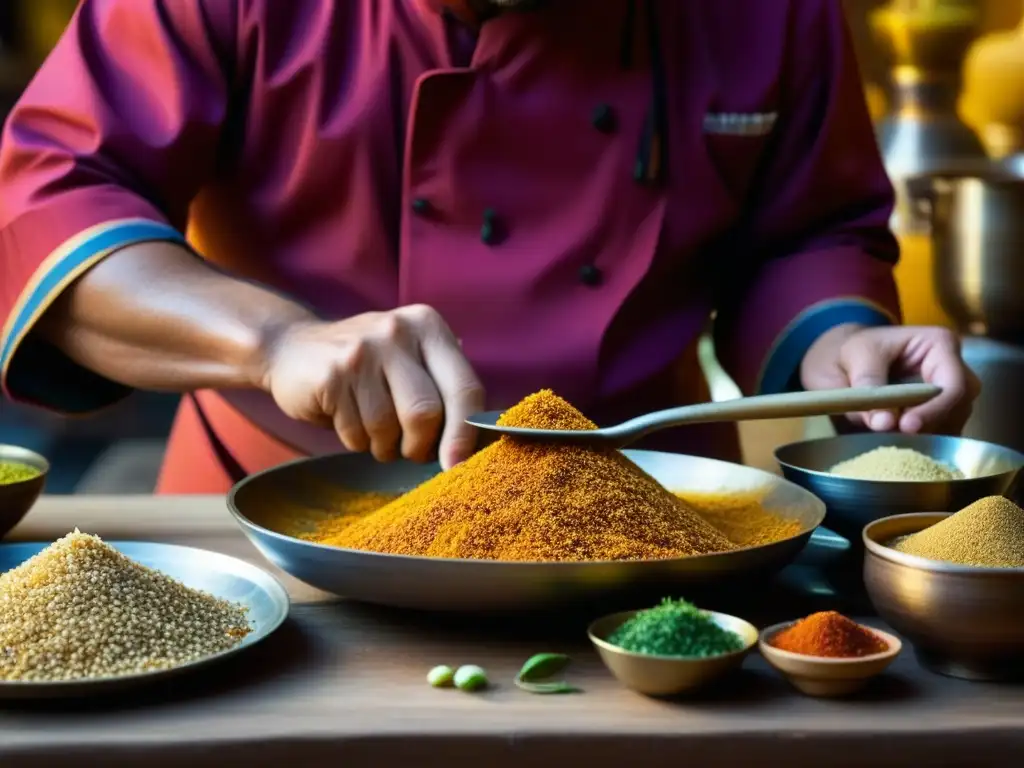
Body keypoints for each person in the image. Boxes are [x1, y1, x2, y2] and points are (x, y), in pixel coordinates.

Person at [0, 0, 979, 493]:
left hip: (655, 519)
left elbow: (805, 228)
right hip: (278, 509)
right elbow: (48, 199)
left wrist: (836, 343)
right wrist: (275, 343)